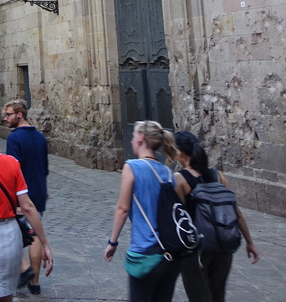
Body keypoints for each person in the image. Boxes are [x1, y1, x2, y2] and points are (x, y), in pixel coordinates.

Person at [0, 112, 53, 302]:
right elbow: (28, 207)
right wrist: (45, 243)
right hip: (9, 234)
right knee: (6, 296)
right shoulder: (11, 163)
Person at [105, 120, 186, 302]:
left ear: (141, 138)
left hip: (145, 254)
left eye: (134, 136)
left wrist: (113, 242)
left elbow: (122, 208)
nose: (132, 140)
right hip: (170, 255)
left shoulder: (132, 167)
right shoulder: (168, 173)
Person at [174, 131, 259, 302]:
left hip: (196, 249)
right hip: (222, 246)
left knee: (199, 297)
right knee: (218, 296)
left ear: (180, 153)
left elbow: (177, 217)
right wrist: (249, 242)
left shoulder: (179, 179)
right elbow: (236, 212)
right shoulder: (218, 176)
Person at [4, 100, 48, 294]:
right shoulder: (40, 137)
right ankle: (35, 282)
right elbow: (45, 167)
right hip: (38, 190)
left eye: (8, 115)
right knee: (35, 234)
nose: (5, 118)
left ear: (19, 115)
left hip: (21, 194)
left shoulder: (14, 139)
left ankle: (24, 270)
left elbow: (12, 170)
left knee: (15, 233)